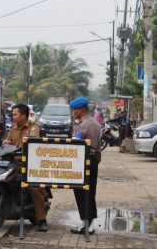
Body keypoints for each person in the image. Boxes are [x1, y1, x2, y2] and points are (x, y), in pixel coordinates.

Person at [2, 103, 49, 232]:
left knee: (33, 187)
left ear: (23, 115)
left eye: (15, 114)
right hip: (14, 164)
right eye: (12, 114)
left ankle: (42, 219)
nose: (13, 117)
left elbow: (31, 141)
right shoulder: (13, 128)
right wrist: (6, 142)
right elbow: (8, 141)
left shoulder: (33, 127)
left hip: (29, 164)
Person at [69, 97, 101, 235]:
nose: (72, 113)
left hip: (88, 161)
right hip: (83, 161)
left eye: (74, 110)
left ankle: (89, 224)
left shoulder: (89, 124)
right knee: (82, 191)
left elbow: (90, 146)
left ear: (81, 110)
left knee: (86, 192)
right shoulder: (83, 123)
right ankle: (85, 223)